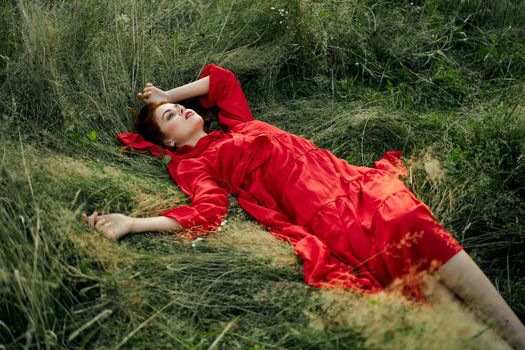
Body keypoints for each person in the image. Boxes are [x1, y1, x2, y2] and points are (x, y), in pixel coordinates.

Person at [82, 63, 525, 349]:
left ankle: (513, 333)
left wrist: (164, 96)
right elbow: (206, 212)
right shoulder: (194, 163)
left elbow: (222, 82)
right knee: (402, 262)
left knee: (409, 218)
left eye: (179, 108)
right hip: (320, 208)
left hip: (348, 182)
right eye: (169, 118)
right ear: (167, 143)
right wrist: (135, 224)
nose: (180, 111)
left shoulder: (234, 122)